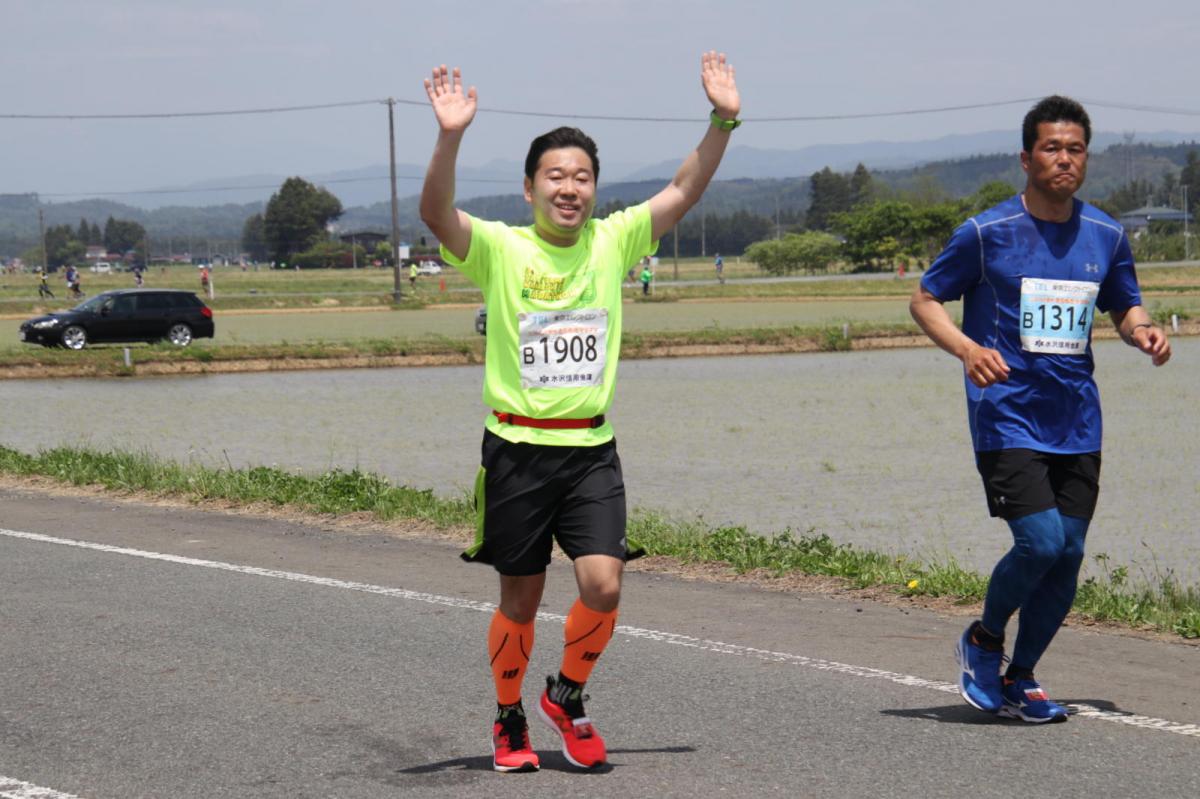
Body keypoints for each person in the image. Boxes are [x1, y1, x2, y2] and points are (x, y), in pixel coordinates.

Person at [420, 52, 740, 772]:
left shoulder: (613, 239)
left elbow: (685, 189)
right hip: (515, 452)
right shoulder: (502, 248)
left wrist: (722, 118)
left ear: (595, 188)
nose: (570, 189)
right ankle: (508, 716)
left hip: (591, 450)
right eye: (555, 177)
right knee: (523, 601)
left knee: (603, 581)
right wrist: (449, 136)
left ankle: (566, 693)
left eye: (582, 177)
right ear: (530, 187)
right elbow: (435, 213)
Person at [910, 96, 1171, 724]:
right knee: (1041, 540)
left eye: (1075, 149)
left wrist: (1143, 330)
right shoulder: (985, 233)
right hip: (1006, 416)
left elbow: (1124, 303)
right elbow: (924, 301)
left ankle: (1022, 676)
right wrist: (968, 349)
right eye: (1051, 148)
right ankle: (983, 639)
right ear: (1026, 158)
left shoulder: (1106, 234)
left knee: (1071, 551)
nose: (1064, 160)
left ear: (1087, 158)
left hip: (1077, 419)